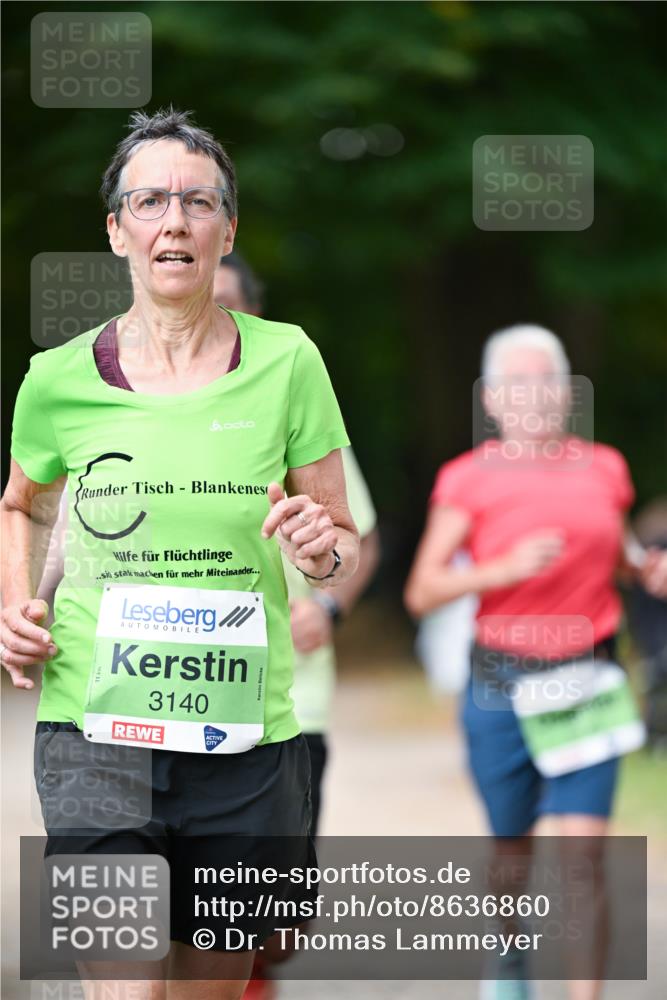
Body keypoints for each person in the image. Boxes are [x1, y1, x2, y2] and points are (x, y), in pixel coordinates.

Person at [1, 107, 359, 1000]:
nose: (174, 221)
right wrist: (16, 604)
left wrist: (319, 551)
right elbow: (24, 505)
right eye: (149, 201)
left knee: (210, 987)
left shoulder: (289, 362)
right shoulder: (55, 380)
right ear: (117, 228)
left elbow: (335, 538)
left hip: (242, 739)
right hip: (93, 731)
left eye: (197, 202)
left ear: (225, 229)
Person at [404, 324, 667, 1000]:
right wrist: (501, 568)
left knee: (580, 858)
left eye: (547, 380)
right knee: (511, 854)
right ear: (491, 399)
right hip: (500, 685)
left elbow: (613, 556)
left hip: (584, 678)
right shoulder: (467, 479)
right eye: (518, 383)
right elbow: (421, 589)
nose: (536, 395)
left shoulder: (603, 467)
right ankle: (509, 951)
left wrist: (645, 568)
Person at [214, 253, 379, 1000]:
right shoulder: (133, 416)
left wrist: (331, 601)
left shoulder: (299, 413)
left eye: (227, 309)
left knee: (274, 921)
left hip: (290, 703)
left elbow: (359, 536)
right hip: (176, 698)